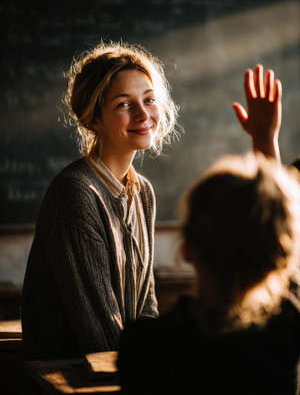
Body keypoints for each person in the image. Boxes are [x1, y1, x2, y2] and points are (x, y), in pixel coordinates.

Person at [117, 67, 300, 395]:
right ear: (277, 256)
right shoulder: (285, 330)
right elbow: (273, 230)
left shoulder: (144, 346)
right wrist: (264, 141)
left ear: (187, 247)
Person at [21, 41, 178, 360]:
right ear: (94, 118)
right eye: (124, 104)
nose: (143, 114)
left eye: (148, 99)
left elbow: (146, 307)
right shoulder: (75, 192)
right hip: (72, 375)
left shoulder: (142, 191)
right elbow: (98, 332)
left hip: (123, 369)